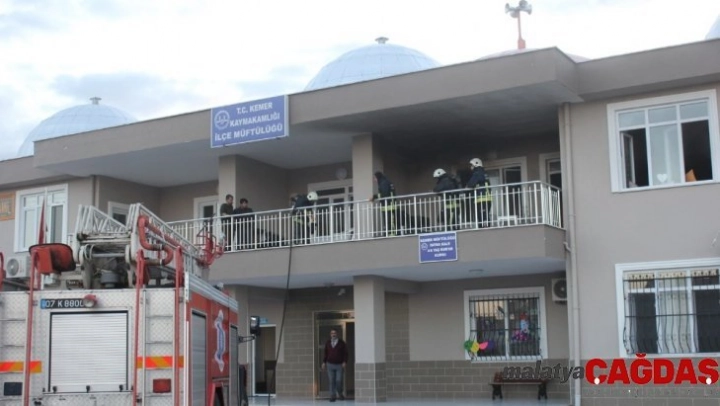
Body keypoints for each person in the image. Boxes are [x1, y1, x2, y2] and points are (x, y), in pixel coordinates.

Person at [322, 328, 348, 402]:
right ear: (330, 334)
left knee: (338, 380)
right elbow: (326, 353)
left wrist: (344, 361)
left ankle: (340, 393)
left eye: (334, 333)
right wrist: (324, 362)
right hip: (330, 364)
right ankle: (332, 396)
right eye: (332, 333)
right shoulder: (328, 343)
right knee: (331, 381)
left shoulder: (342, 343)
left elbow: (345, 353)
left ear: (337, 334)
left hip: (339, 365)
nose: (333, 334)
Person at [465, 158, 493, 228]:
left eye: (472, 165)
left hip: (482, 198)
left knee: (482, 216)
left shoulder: (477, 173)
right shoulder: (483, 173)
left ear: (476, 164)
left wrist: (466, 188)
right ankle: (485, 227)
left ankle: (484, 229)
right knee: (484, 215)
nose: (471, 167)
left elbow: (471, 184)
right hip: (486, 198)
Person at [370, 171, 398, 236]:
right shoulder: (386, 182)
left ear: (378, 177)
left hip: (388, 204)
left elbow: (384, 194)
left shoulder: (383, 183)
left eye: (375, 178)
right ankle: (389, 232)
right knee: (389, 219)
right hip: (389, 204)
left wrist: (374, 197)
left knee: (389, 219)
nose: (375, 180)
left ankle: (391, 233)